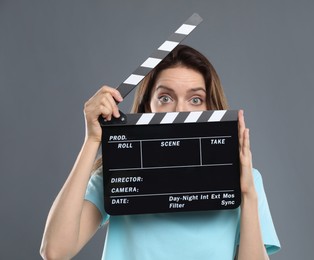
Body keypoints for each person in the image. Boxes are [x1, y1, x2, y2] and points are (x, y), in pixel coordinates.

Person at [40, 45, 281, 259]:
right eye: (165, 97)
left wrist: (248, 194)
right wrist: (92, 140)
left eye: (195, 99)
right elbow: (55, 251)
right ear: (147, 106)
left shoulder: (247, 180)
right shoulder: (118, 173)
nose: (180, 110)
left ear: (211, 107)